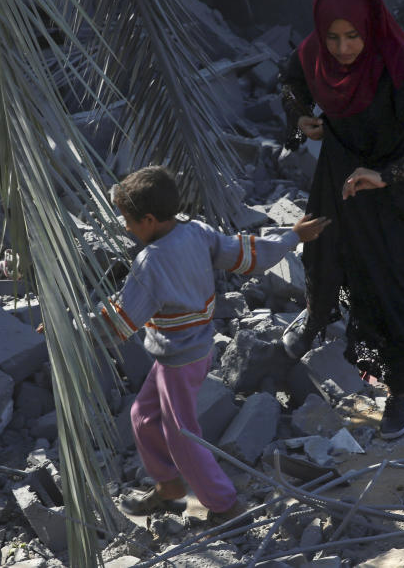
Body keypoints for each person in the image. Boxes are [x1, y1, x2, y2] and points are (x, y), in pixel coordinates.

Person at [279, 0, 404, 439]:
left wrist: (386, 176)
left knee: (391, 289)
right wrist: (301, 118)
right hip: (338, 173)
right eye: (332, 37)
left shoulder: (401, 67)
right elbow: (291, 80)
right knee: (322, 249)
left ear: (370, 27)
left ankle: (398, 392)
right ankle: (318, 314)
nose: (342, 48)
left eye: (352, 36)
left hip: (393, 192)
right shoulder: (315, 54)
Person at [97, 165, 329, 519]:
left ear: (148, 219)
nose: (125, 227)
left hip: (179, 359)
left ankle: (225, 505)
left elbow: (121, 319)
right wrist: (291, 237)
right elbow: (247, 255)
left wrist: (69, 329)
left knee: (182, 436)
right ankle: (169, 486)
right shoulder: (197, 232)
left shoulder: (151, 262)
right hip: (190, 352)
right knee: (142, 416)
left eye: (128, 219)